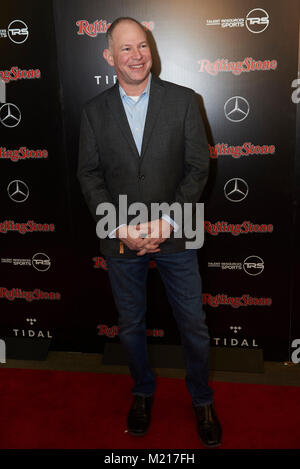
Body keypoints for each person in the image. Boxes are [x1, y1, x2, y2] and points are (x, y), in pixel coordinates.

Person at [77, 17, 222, 448]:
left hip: (176, 230)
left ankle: (202, 399)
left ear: (152, 49)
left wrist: (169, 220)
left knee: (193, 324)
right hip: (121, 234)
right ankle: (141, 392)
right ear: (109, 57)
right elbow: (88, 175)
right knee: (131, 324)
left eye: (142, 46)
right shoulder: (92, 111)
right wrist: (121, 226)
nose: (137, 55)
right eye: (126, 48)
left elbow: (199, 167)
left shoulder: (184, 100)